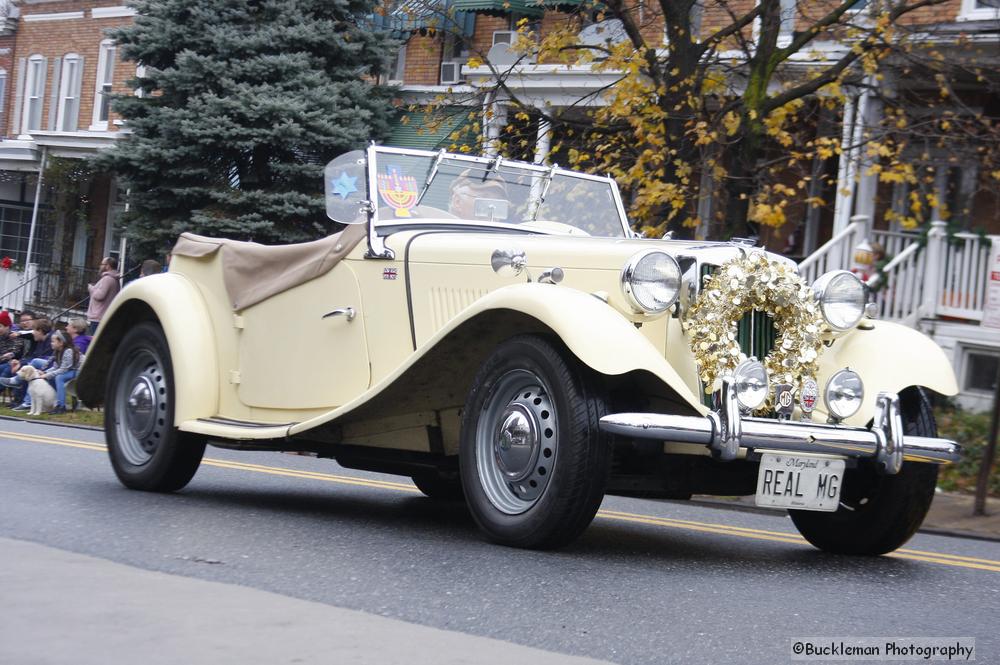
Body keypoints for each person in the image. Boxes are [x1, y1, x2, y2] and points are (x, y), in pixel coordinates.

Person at [36, 330, 80, 414]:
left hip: (78, 371)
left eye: (53, 341)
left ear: (61, 343)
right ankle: (57, 402)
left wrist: (47, 375)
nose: (51, 343)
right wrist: (45, 372)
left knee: (59, 377)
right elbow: (55, 367)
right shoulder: (58, 351)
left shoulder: (68, 351)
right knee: (53, 376)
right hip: (69, 370)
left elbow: (64, 369)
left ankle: (61, 406)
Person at [87, 257, 121, 334]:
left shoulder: (107, 279)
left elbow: (100, 296)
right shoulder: (115, 279)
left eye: (102, 264)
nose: (100, 266)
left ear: (108, 266)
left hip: (98, 317)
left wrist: (91, 288)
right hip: (105, 316)